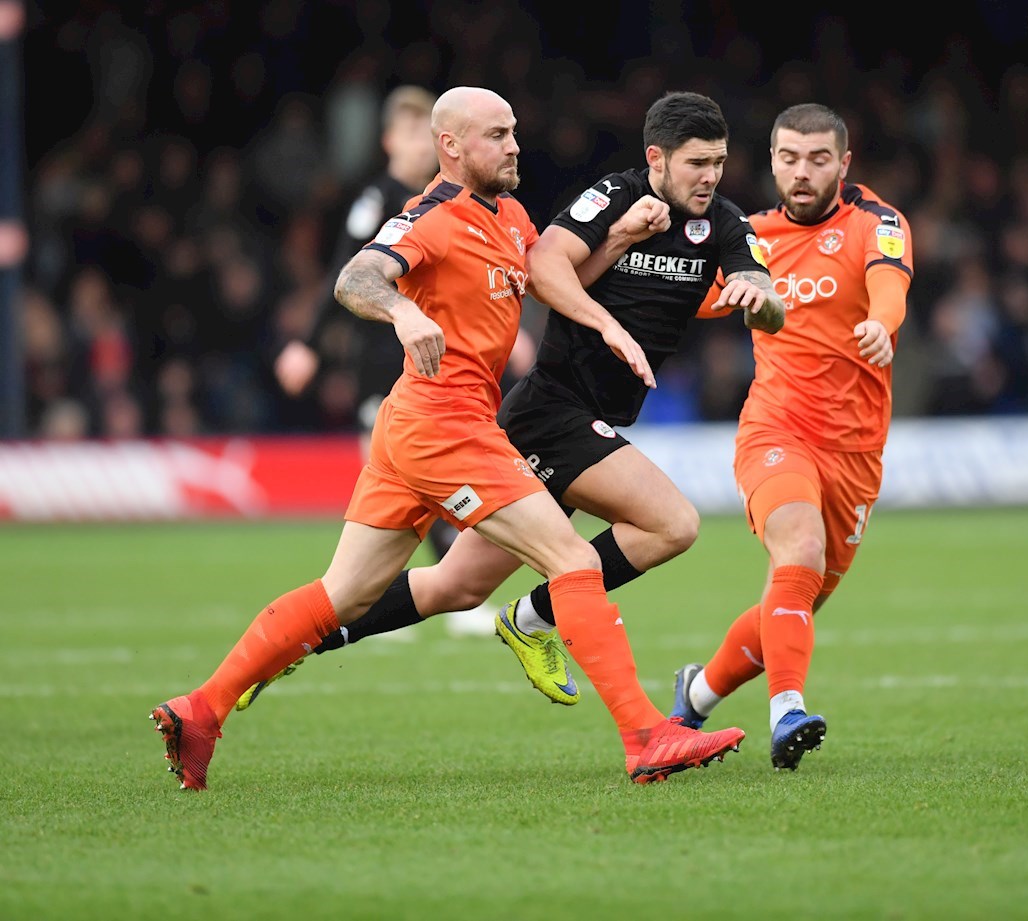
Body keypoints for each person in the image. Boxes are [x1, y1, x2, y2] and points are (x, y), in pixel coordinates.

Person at [149, 86, 748, 790]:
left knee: (344, 592)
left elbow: (546, 281)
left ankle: (202, 707)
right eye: (497, 135)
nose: (515, 145)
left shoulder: (508, 214)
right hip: (446, 427)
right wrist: (402, 313)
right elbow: (356, 277)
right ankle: (646, 735)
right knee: (572, 563)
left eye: (514, 131)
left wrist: (617, 240)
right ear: (451, 147)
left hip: (423, 424)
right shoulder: (429, 218)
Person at [669, 103, 913, 771]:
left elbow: (887, 288)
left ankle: (692, 697)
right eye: (787, 158)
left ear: (843, 163)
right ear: (771, 160)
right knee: (798, 547)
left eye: (816, 159)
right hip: (775, 429)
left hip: (856, 453)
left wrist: (880, 326)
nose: (801, 173)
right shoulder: (745, 235)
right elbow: (680, 296)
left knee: (794, 590)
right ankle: (787, 712)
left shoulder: (877, 223)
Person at [273, 84, 469, 561]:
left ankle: (419, 589)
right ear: (388, 142)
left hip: (438, 356)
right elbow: (345, 271)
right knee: (392, 481)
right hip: (381, 358)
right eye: (409, 134)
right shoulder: (377, 200)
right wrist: (308, 345)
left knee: (426, 473)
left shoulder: (447, 201)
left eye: (426, 135)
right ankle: (405, 589)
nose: (420, 145)